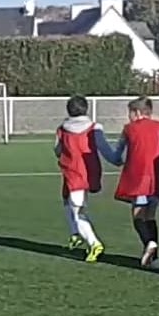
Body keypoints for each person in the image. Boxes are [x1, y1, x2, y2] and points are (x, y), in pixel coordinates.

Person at [104, 96, 159, 268]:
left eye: (130, 113)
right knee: (151, 215)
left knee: (138, 214)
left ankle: (149, 243)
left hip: (139, 177)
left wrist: (115, 160)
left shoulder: (129, 129)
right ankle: (155, 259)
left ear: (137, 113)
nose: (129, 117)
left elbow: (118, 153)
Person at [54, 95, 113, 263]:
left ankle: (94, 243)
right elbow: (105, 149)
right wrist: (118, 160)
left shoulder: (62, 129)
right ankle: (75, 234)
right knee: (68, 200)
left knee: (77, 211)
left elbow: (57, 150)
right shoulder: (94, 128)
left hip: (73, 173)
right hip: (90, 172)